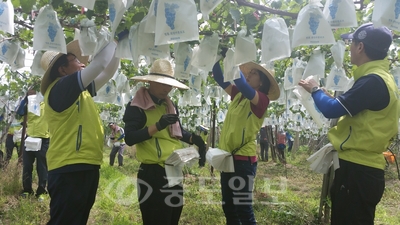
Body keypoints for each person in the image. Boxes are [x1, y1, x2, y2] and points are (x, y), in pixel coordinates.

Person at [298, 23, 399, 225]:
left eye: (351, 43)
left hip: (358, 170)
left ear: (360, 47)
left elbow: (331, 110)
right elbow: (345, 108)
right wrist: (325, 96)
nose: (349, 48)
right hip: (361, 169)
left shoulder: (373, 81)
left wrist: (315, 89)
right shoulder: (380, 80)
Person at [40, 38, 120, 225]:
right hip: (69, 167)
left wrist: (120, 49)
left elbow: (108, 72)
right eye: (76, 60)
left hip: (85, 164)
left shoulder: (79, 91)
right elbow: (99, 64)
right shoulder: (62, 87)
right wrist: (113, 40)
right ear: (62, 70)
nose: (83, 63)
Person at [123, 59, 205, 225]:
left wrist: (194, 140)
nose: (167, 89)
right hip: (152, 173)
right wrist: (157, 126)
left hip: (174, 171)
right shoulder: (136, 107)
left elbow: (177, 132)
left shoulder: (169, 105)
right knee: (156, 219)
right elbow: (130, 138)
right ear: (150, 82)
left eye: (169, 85)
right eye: (162, 84)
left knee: (172, 217)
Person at [212, 57, 280, 224]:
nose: (248, 76)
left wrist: (232, 57)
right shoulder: (238, 95)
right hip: (228, 158)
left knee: (242, 208)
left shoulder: (262, 100)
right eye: (248, 73)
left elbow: (241, 83)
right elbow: (219, 78)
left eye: (253, 73)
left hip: (243, 162)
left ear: (262, 82)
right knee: (228, 206)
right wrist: (218, 56)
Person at [18, 90, 50, 201]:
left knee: (42, 167)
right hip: (30, 138)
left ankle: (41, 192)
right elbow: (20, 111)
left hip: (43, 139)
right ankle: (27, 190)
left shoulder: (48, 103)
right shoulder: (31, 103)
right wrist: (26, 98)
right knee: (27, 165)